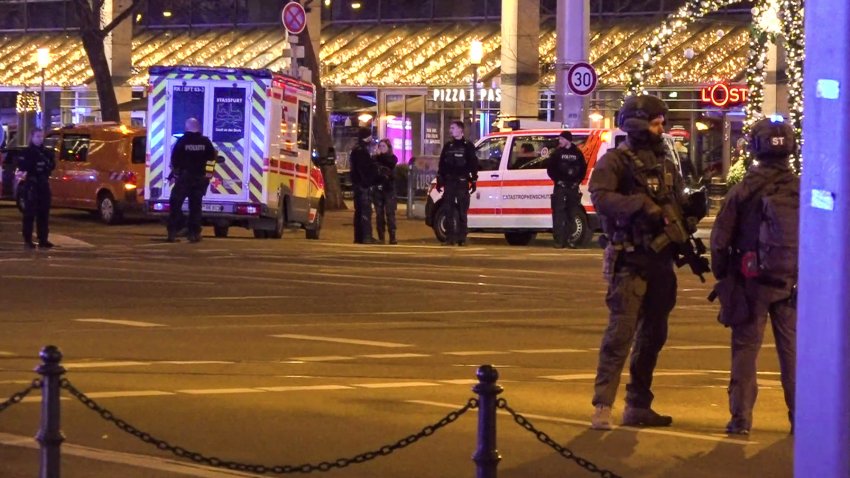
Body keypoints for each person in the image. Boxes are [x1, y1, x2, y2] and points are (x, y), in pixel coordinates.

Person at [588, 95, 702, 430]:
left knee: (653, 336)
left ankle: (638, 403)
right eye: (656, 122)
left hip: (660, 261)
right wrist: (639, 205)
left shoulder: (665, 161)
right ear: (638, 123)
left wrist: (689, 213)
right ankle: (603, 405)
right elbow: (601, 198)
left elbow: (675, 197)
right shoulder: (615, 162)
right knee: (620, 335)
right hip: (630, 260)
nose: (662, 127)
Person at [710, 117, 799, 435]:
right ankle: (799, 417)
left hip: (751, 282)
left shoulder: (743, 189)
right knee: (791, 352)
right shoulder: (800, 187)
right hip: (790, 282)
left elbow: (720, 240)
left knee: (746, 351)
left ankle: (741, 419)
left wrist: (722, 273)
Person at [167, 118, 215, 243]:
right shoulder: (205, 142)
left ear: (187, 128)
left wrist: (176, 173)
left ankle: (174, 231)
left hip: (184, 178)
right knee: (195, 207)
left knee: (175, 202)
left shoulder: (182, 142)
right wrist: (208, 175)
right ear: (198, 127)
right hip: (200, 178)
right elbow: (212, 159)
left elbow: (175, 160)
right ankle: (194, 233)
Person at [436, 121, 478, 246]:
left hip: (462, 181)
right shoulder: (448, 146)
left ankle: (462, 238)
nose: (451, 130)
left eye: (453, 128)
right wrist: (440, 179)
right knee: (448, 209)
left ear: (460, 130)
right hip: (449, 181)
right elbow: (442, 164)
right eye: (450, 128)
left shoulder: (467, 146)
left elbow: (473, 163)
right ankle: (450, 238)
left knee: (462, 210)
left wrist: (473, 179)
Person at [546, 131, 587, 248]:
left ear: (568, 140)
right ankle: (559, 240)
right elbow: (550, 169)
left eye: (562, 139)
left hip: (572, 188)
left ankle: (569, 239)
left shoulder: (577, 153)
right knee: (558, 214)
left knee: (571, 214)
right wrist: (558, 181)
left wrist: (576, 182)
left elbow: (583, 169)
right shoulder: (557, 153)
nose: (560, 141)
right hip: (560, 186)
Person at [18, 128, 55, 249]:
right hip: (32, 185)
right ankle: (28, 239)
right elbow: (23, 166)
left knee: (43, 213)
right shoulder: (27, 152)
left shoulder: (46, 152)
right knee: (29, 214)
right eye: (37, 136)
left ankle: (43, 239)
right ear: (32, 137)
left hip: (43, 183)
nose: (40, 139)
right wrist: (34, 164)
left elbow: (52, 165)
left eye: (41, 136)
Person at [350, 127, 378, 244]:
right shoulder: (362, 151)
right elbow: (364, 169)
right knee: (365, 211)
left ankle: (359, 237)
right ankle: (366, 236)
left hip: (357, 185)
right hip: (363, 186)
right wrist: (368, 182)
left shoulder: (356, 150)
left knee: (359, 211)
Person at [372, 139, 399, 244]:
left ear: (388, 148)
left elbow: (390, 164)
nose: (381, 148)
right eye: (380, 146)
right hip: (378, 189)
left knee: (390, 213)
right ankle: (381, 236)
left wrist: (380, 156)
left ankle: (392, 236)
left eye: (383, 146)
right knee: (379, 214)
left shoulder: (392, 158)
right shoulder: (375, 159)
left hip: (389, 189)